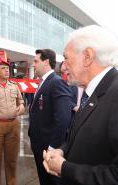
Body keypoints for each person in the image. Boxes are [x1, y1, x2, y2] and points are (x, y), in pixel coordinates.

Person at [43, 25, 118, 185]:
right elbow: (80, 136)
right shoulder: (93, 91)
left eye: (66, 58)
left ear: (87, 57)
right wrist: (62, 150)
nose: (62, 67)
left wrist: (64, 167)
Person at [28, 49, 73, 185]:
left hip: (48, 148)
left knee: (50, 181)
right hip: (39, 144)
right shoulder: (43, 82)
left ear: (46, 62)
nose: (33, 64)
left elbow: (63, 119)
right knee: (44, 179)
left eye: (36, 61)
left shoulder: (56, 82)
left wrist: (52, 148)